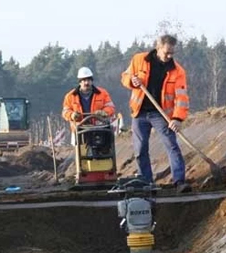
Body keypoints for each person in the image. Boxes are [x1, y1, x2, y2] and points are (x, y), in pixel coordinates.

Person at [121, 34, 190, 191]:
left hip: (161, 114)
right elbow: (125, 76)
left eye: (172, 53)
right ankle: (146, 182)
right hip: (139, 113)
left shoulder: (177, 71)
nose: (169, 56)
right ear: (158, 47)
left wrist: (178, 118)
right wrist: (132, 81)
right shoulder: (139, 59)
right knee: (140, 149)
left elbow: (182, 97)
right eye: (166, 52)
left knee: (171, 145)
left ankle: (179, 181)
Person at [62, 67, 116, 145]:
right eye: (84, 80)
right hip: (80, 129)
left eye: (88, 80)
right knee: (82, 151)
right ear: (79, 82)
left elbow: (111, 107)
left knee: (105, 147)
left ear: (92, 81)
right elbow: (65, 111)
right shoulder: (70, 96)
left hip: (99, 128)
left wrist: (104, 112)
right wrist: (72, 115)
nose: (86, 83)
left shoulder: (102, 93)